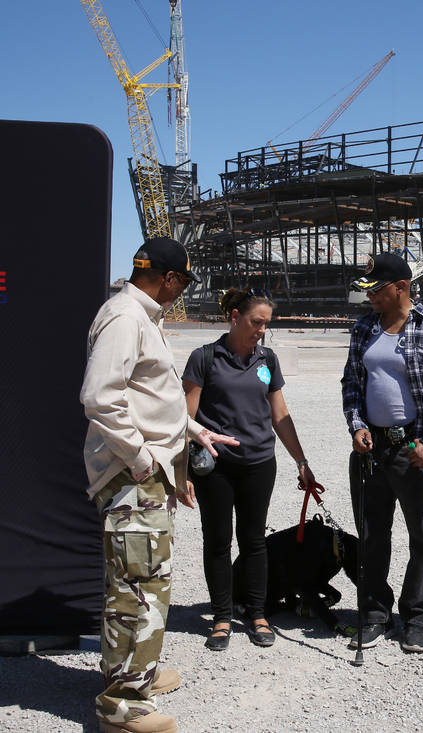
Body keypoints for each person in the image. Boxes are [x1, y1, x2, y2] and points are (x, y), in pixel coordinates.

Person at [81, 237, 238, 733]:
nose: (183, 291)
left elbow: (151, 394)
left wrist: (192, 429)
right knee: (137, 586)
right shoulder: (127, 317)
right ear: (168, 279)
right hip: (133, 478)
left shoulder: (142, 316)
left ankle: (135, 674)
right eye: (184, 282)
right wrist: (144, 459)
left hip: (144, 477)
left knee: (143, 580)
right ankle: (122, 707)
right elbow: (100, 398)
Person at [341, 252, 423, 654]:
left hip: (413, 449)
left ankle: (415, 617)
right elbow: (351, 384)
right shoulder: (363, 329)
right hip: (369, 450)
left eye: (376, 291)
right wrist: (357, 425)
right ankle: (376, 613)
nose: (370, 299)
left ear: (401, 288)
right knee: (372, 535)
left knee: (422, 538)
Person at [182, 288, 317, 651]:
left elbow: (280, 416)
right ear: (235, 317)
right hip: (216, 467)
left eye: (266, 324)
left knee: (255, 540)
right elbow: (185, 416)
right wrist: (181, 471)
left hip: (259, 464)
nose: (261, 330)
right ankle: (222, 617)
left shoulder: (267, 359)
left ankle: (258, 614)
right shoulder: (204, 358)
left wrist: (301, 461)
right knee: (218, 540)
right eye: (256, 322)